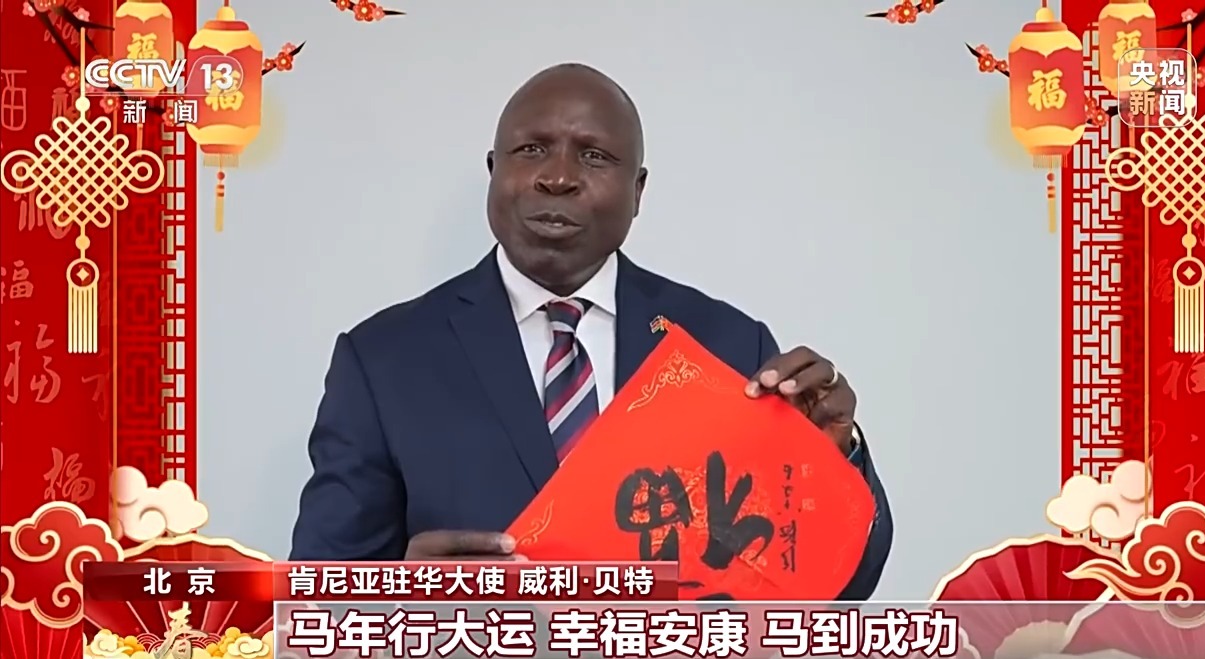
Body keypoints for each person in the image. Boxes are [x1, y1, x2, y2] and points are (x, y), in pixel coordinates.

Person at [290, 63, 893, 600]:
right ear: (494, 171)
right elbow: (312, 602)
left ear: (638, 191)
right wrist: (400, 593)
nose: (558, 178)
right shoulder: (384, 359)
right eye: (531, 149)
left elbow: (837, 588)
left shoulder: (728, 347)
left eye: (594, 156)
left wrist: (834, 460)